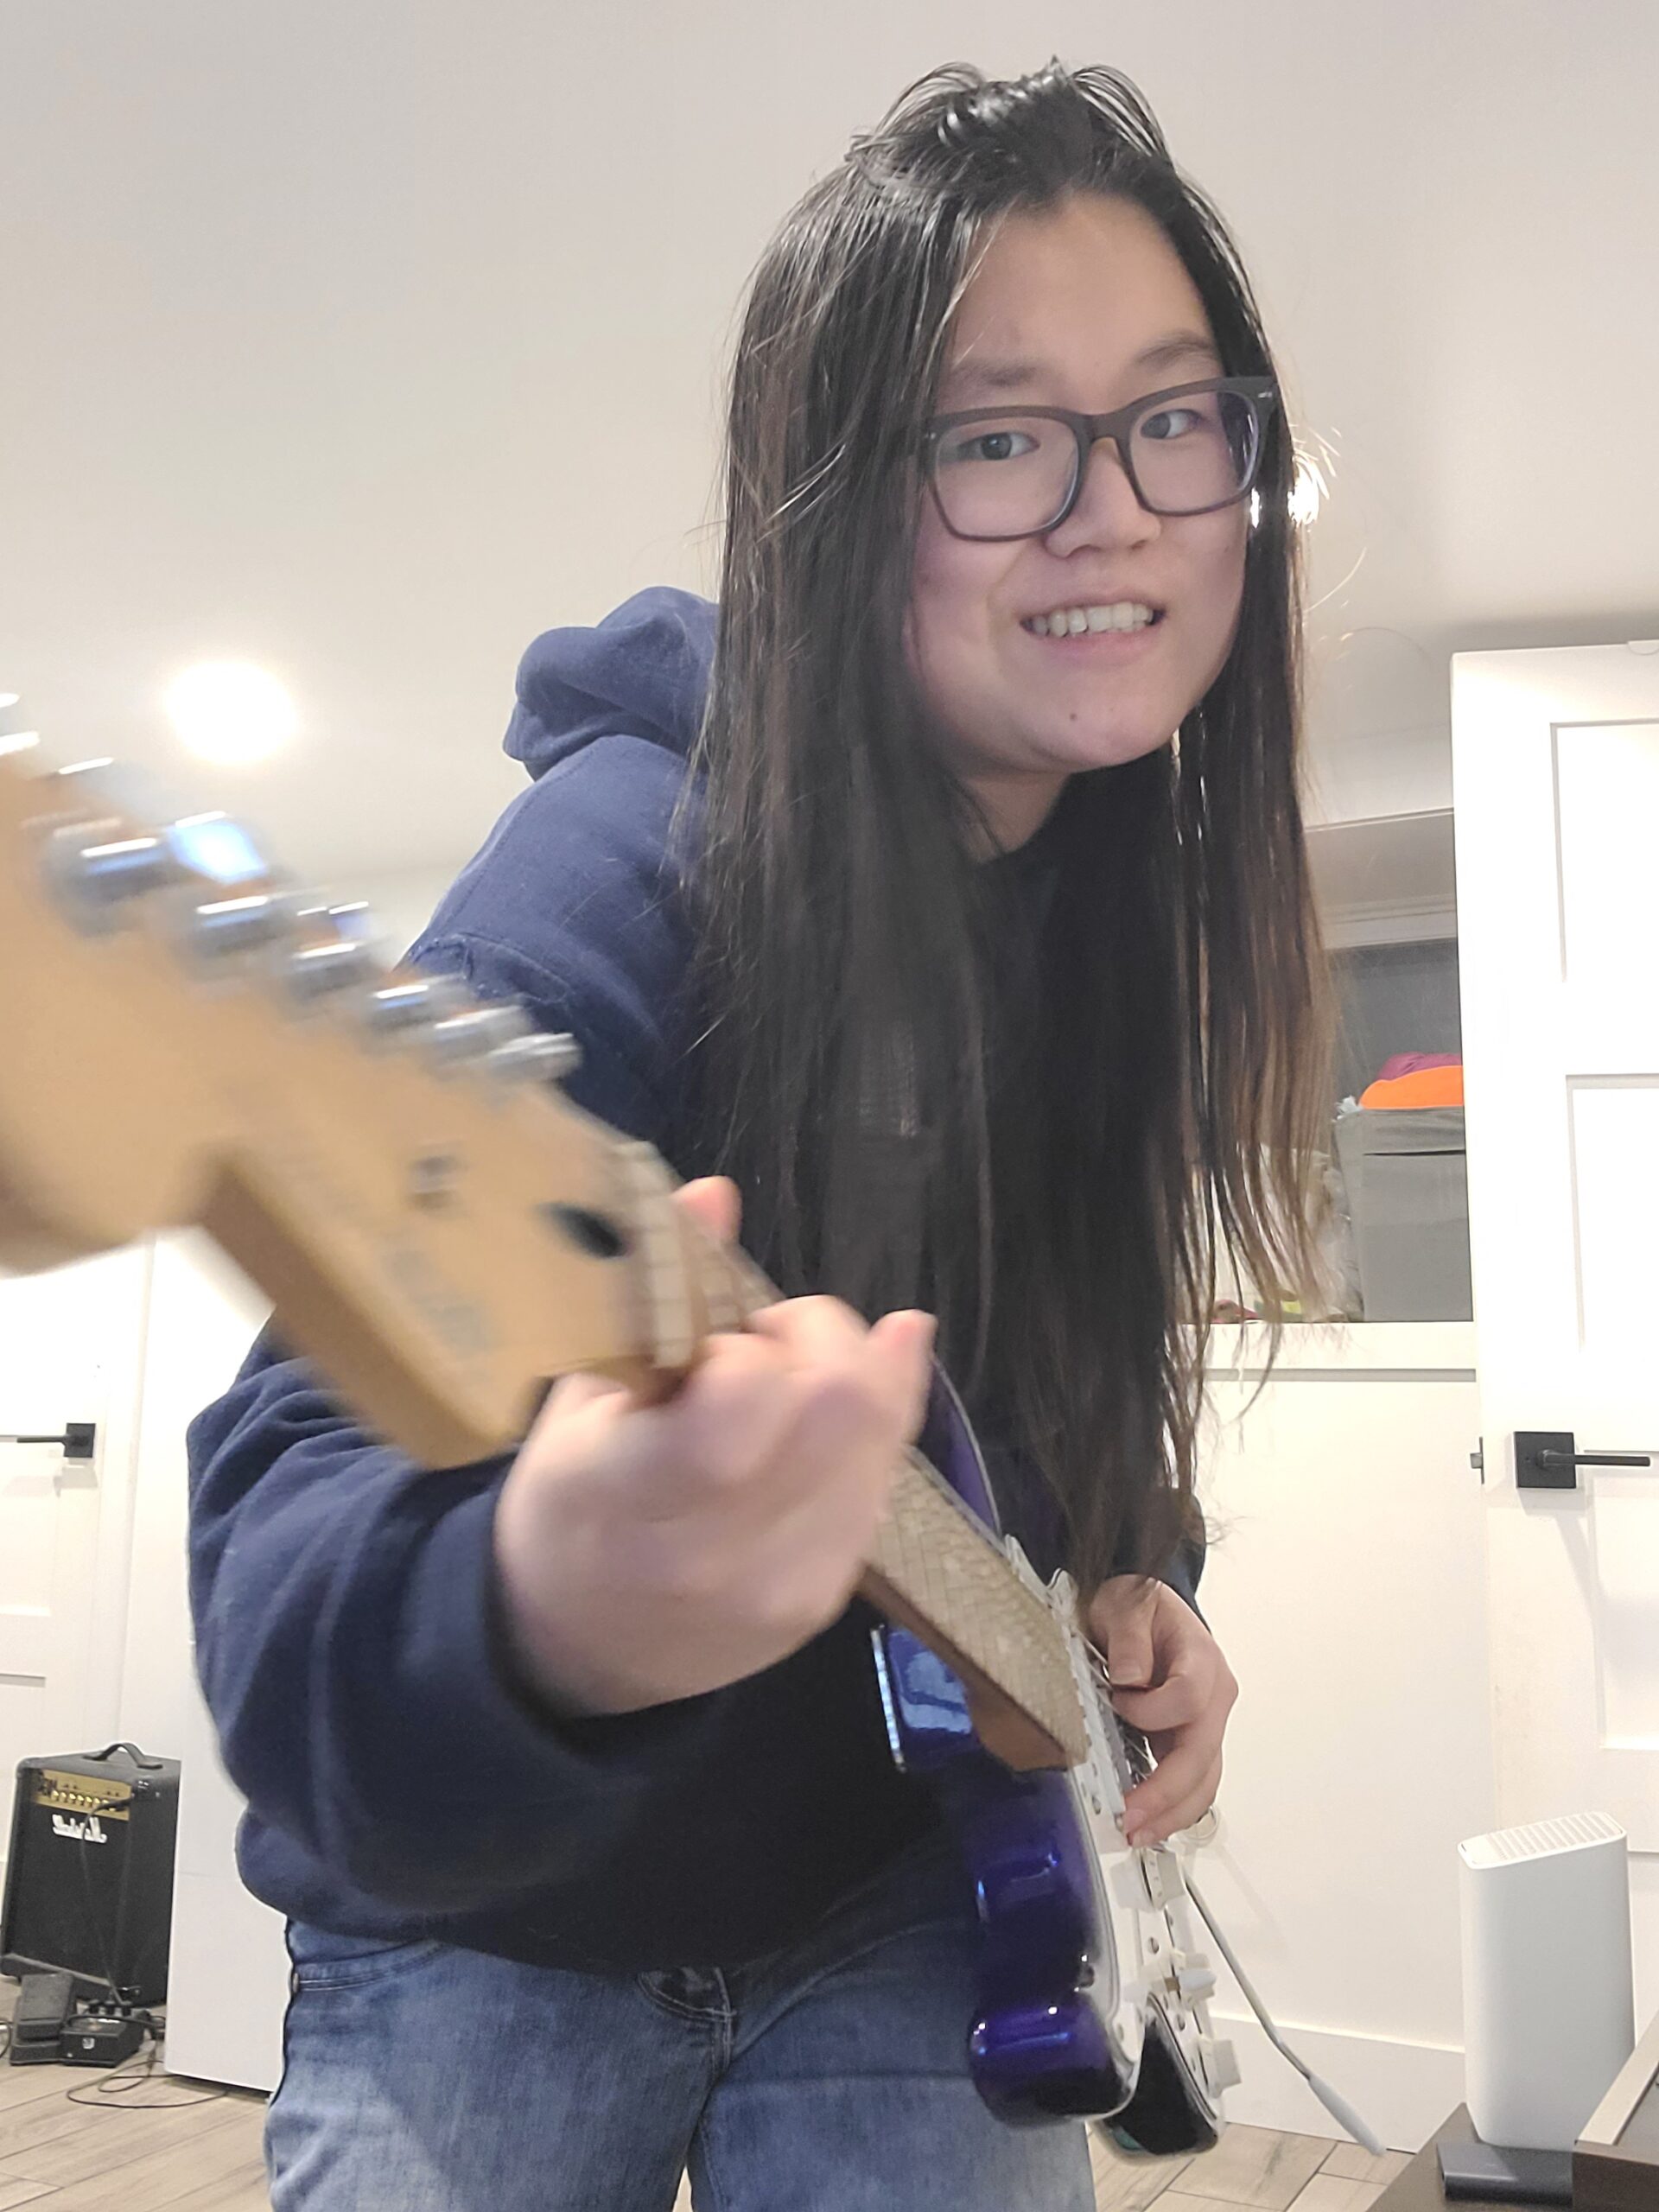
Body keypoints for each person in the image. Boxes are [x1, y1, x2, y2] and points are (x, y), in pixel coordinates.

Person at [186, 58, 1331, 2211]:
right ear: (836, 500)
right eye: (998, 438)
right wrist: (557, 1591)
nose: (1115, 509)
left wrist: (1134, 1580)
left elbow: (1070, 1386)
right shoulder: (628, 858)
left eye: (1174, 417)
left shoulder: (1119, 924)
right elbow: (280, 1543)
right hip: (503, 1943)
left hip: (914, 1901)